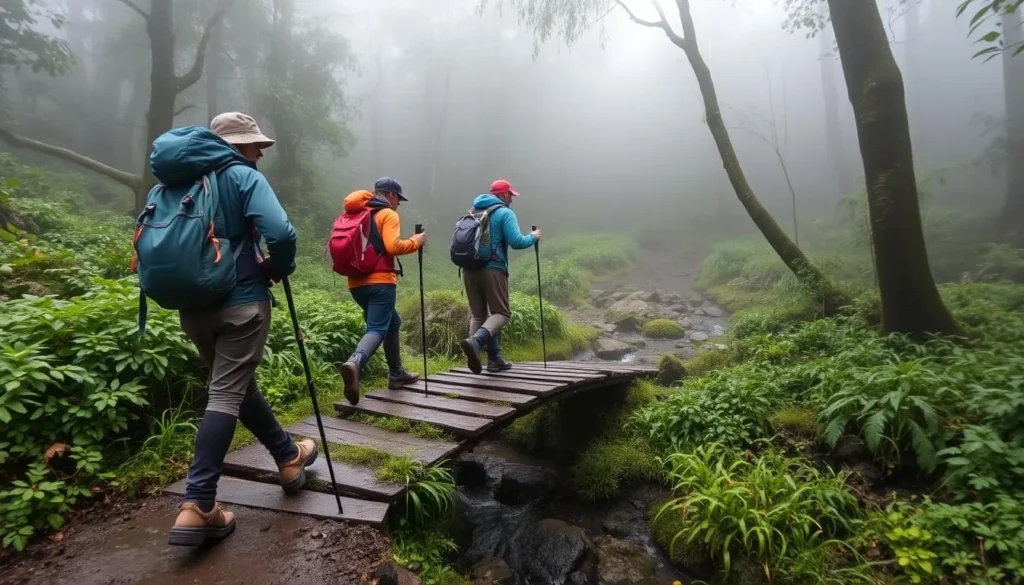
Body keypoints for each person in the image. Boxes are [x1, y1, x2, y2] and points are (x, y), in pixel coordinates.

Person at [165, 112, 318, 546]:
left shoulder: (180, 180)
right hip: (241, 301)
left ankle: (289, 457)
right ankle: (198, 504)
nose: (260, 153)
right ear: (240, 146)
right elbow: (282, 233)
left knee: (235, 385)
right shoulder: (241, 176)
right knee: (227, 392)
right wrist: (275, 266)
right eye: (256, 146)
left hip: (192, 306)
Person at [339, 177, 426, 403]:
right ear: (391, 196)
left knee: (392, 322)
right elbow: (393, 246)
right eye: (398, 199)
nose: (398, 204)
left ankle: (396, 373)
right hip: (380, 283)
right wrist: (416, 241)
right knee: (377, 328)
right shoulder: (387, 214)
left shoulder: (357, 214)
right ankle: (355, 363)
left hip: (356, 284)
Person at [459, 179, 541, 374]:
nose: (511, 198)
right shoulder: (505, 213)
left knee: (480, 315)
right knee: (501, 314)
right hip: (493, 269)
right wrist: (533, 237)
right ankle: (476, 342)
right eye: (510, 195)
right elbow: (516, 242)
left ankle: (493, 359)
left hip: (469, 270)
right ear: (503, 195)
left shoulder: (473, 211)